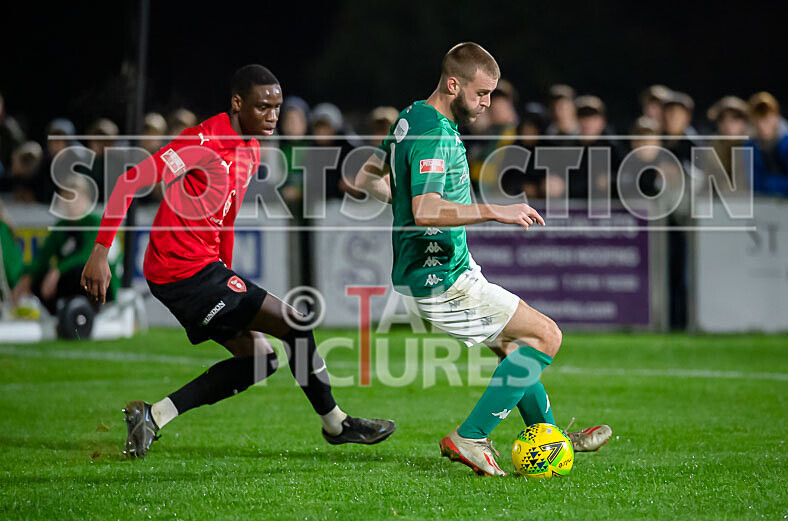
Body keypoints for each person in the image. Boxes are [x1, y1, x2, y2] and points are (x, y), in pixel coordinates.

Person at [80, 64, 395, 458]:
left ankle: (153, 416)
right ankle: (336, 424)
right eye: (263, 107)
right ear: (237, 103)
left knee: (260, 361)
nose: (272, 116)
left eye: (277, 107)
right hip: (180, 271)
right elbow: (129, 181)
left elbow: (225, 219)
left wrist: (225, 269)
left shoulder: (251, 148)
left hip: (203, 270)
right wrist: (101, 250)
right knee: (296, 324)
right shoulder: (201, 141)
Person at [354, 43, 610, 477]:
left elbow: (367, 178)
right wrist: (496, 210)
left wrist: (406, 205)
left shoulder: (411, 116)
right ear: (453, 84)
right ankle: (470, 436)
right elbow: (425, 210)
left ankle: (550, 437)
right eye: (481, 93)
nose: (488, 103)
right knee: (546, 337)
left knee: (514, 348)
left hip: (438, 269)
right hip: (440, 275)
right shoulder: (435, 134)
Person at [11, 174, 118, 316]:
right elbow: (43, 256)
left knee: (79, 272)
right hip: (69, 280)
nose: (70, 204)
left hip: (98, 284)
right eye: (66, 198)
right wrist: (28, 277)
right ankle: (60, 313)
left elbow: (88, 255)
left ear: (86, 199)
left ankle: (88, 310)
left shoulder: (95, 222)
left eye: (74, 198)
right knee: (40, 278)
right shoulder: (61, 227)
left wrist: (58, 271)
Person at [743, 92, 788, 197]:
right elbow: (754, 185)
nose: (762, 124)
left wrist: (768, 183)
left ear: (776, 117)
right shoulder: (750, 146)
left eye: (767, 117)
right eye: (758, 118)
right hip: (764, 203)